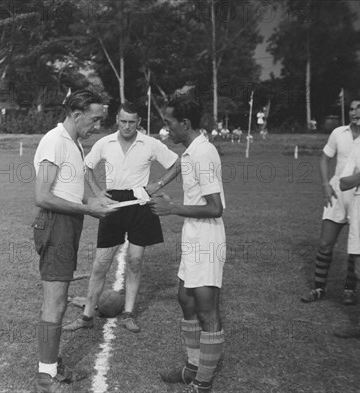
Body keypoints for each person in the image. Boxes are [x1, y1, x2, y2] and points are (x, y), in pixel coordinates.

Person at [63, 102, 180, 334]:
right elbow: (87, 167)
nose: (127, 126)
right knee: (100, 264)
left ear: (139, 122)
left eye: (132, 122)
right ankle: (86, 317)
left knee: (135, 261)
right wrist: (98, 192)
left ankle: (128, 314)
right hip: (113, 205)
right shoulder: (104, 143)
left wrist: (157, 184)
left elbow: (177, 164)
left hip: (140, 203)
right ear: (117, 120)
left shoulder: (150, 143)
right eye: (123, 121)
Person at [32, 89, 117, 392]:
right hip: (56, 224)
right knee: (55, 300)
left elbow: (71, 186)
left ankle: (52, 365)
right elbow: (42, 196)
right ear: (77, 115)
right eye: (94, 119)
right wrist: (87, 208)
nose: (97, 126)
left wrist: (98, 199)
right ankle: (46, 376)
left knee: (58, 296)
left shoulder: (74, 143)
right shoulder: (54, 142)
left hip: (67, 223)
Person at [150, 100, 225, 393]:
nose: (166, 129)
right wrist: (158, 185)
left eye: (169, 123)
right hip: (193, 235)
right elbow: (182, 164)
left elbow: (216, 208)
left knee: (207, 310)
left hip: (207, 238)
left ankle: (203, 382)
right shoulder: (194, 150)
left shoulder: (205, 153)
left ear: (185, 123)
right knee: (185, 298)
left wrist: (174, 209)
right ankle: (192, 367)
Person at [300, 100, 360, 305]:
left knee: (355, 247)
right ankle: (319, 288)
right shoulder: (339, 133)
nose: (355, 114)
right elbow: (324, 159)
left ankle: (349, 290)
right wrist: (325, 185)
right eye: (352, 109)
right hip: (337, 194)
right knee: (325, 244)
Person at [334, 101, 360, 340]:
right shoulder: (359, 142)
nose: (358, 122)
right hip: (359, 207)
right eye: (356, 118)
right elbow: (343, 181)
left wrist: (358, 179)